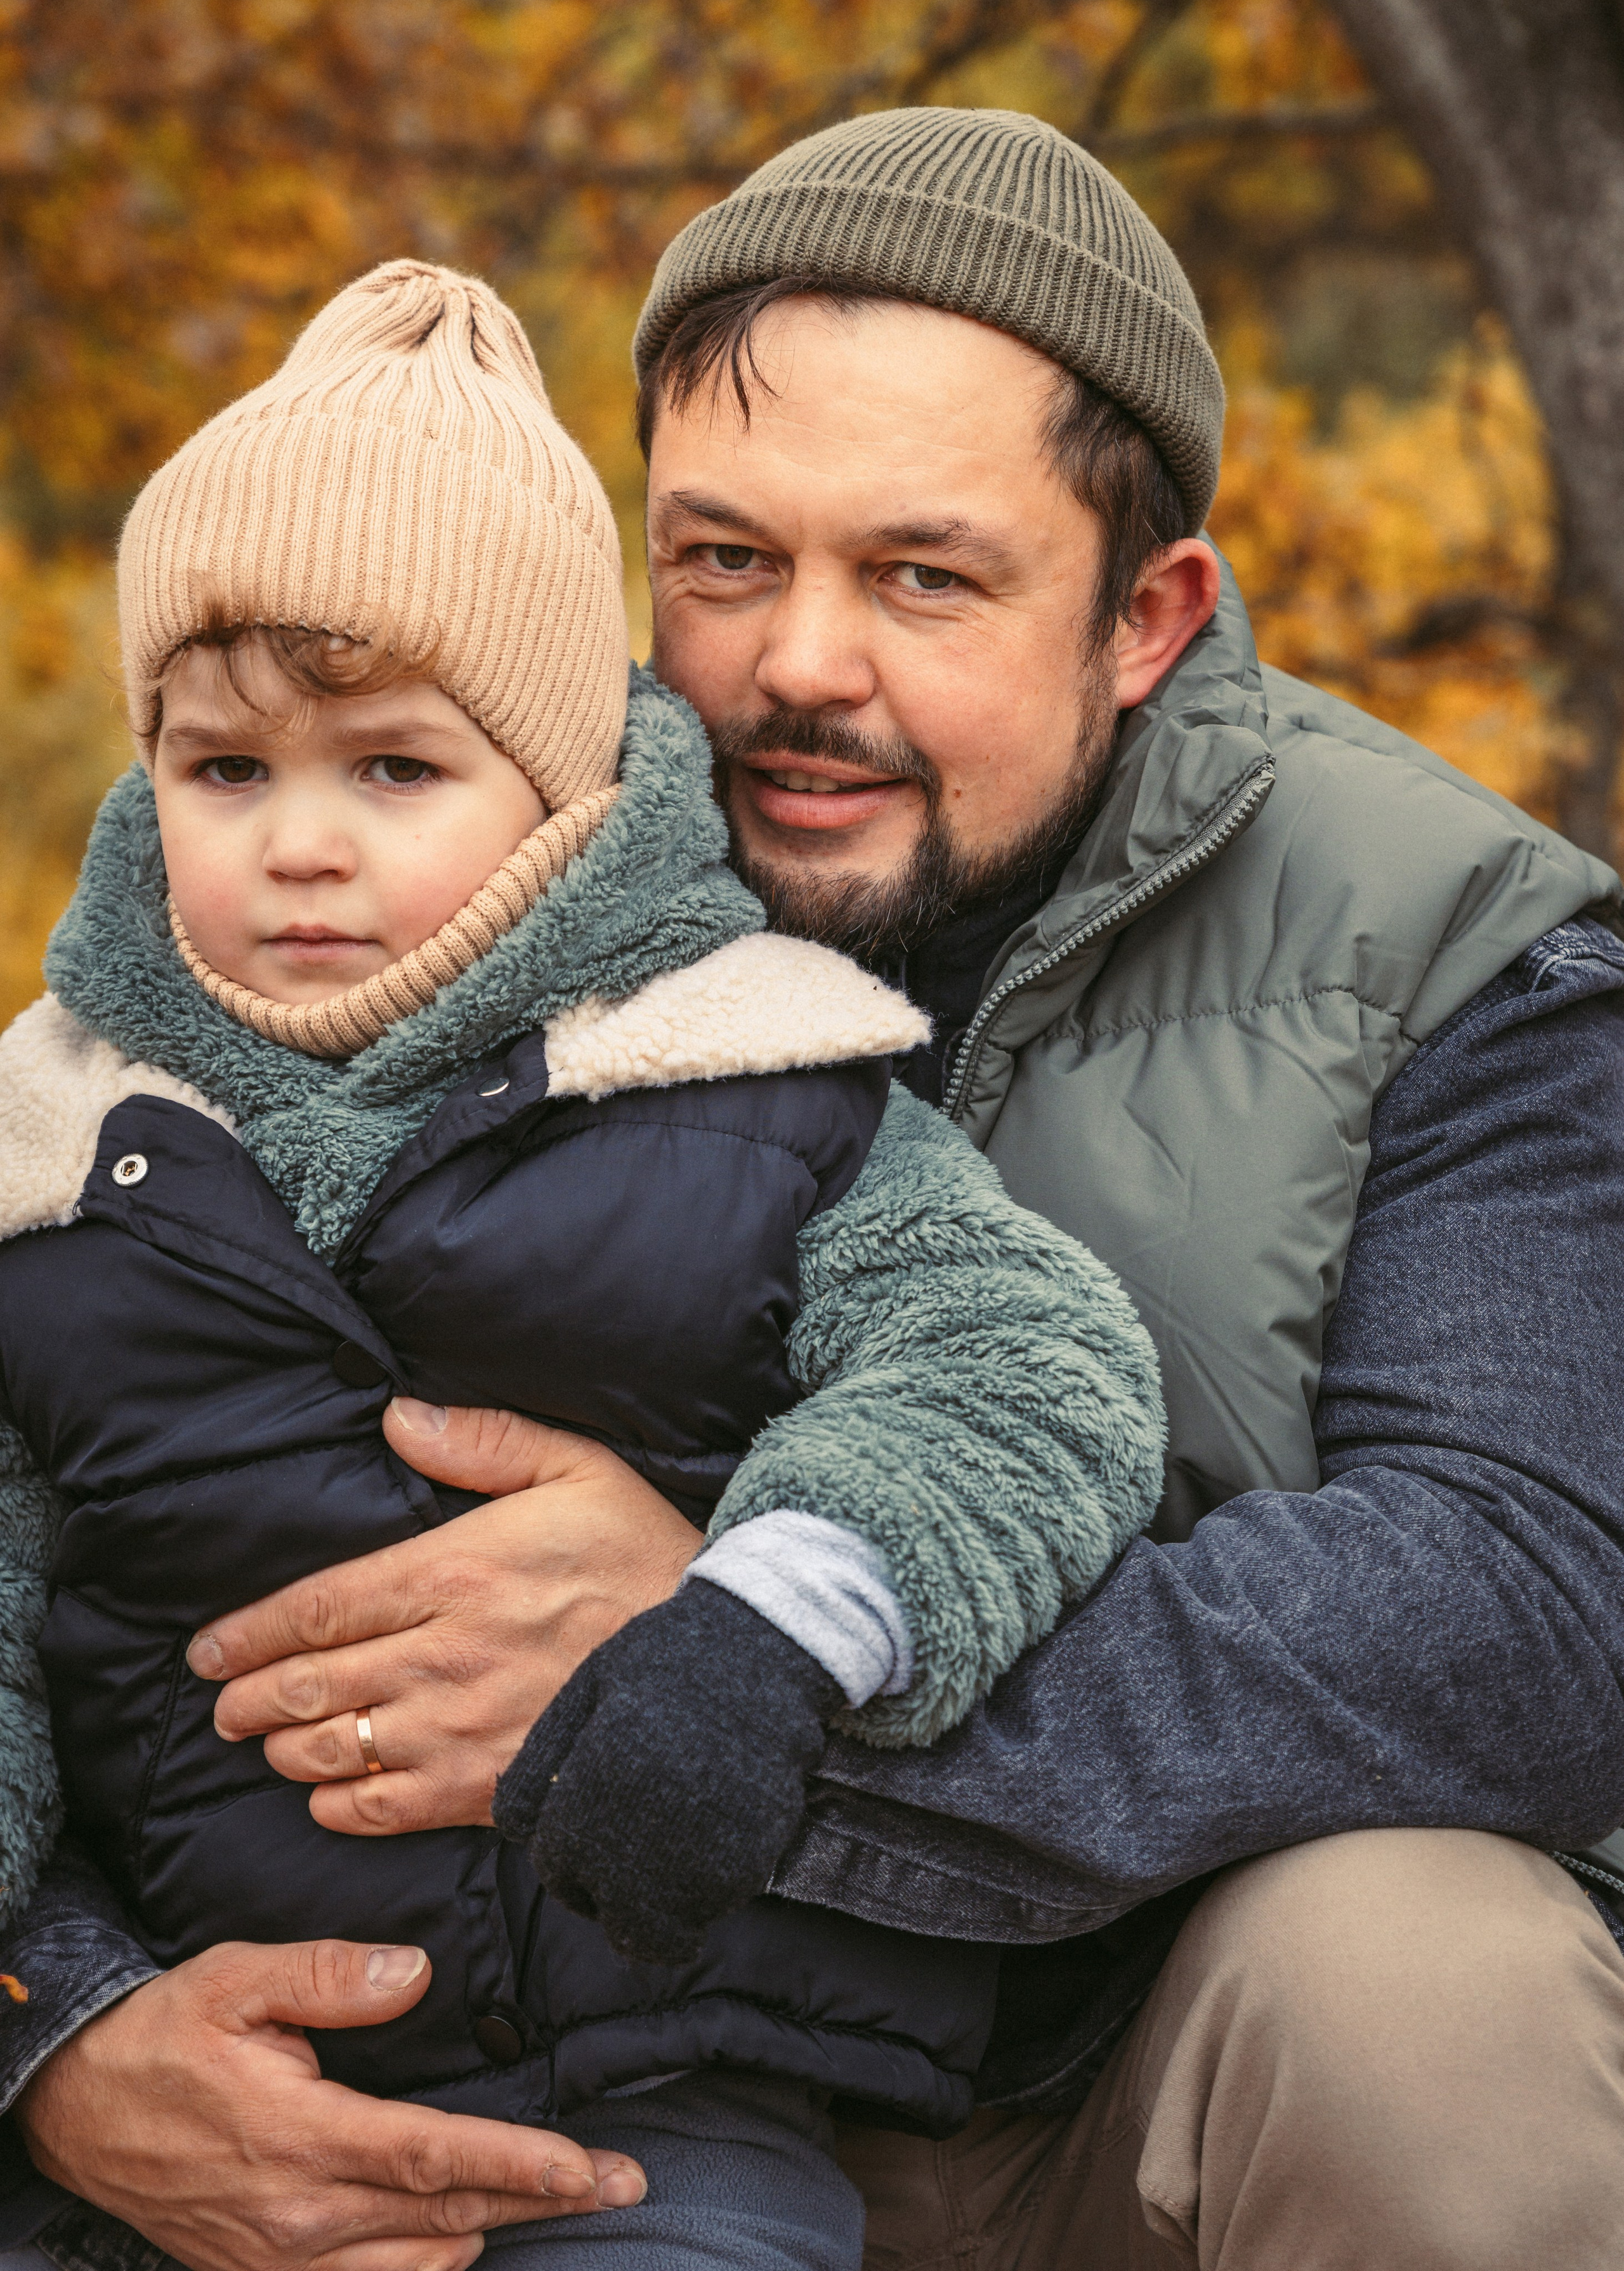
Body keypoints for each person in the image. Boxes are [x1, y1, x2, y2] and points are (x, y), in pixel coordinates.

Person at [6, 103, 1624, 2271]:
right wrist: (63, 2036)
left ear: (1147, 616)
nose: (796, 665)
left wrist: (736, 1672)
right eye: (724, 558)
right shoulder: (364, 930)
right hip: (475, 2074)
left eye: (924, 576)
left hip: (1120, 2086)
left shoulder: (1457, 954)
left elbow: (1523, 1609)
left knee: (1425, 1978)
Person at [0, 254, 1169, 2271]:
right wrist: (40, 2013)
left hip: (652, 2093)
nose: (296, 844)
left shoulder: (742, 1074)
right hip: (175, 2082)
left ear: (556, 795)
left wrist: (768, 1626)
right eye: (222, 769)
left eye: (391, 768)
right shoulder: (46, 1155)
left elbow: (1028, 1369)